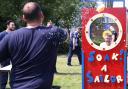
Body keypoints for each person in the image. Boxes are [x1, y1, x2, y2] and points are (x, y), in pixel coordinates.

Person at [0, 2, 67, 89]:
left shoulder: (10, 37)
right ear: (41, 15)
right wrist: (50, 27)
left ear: (23, 18)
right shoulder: (53, 33)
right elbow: (65, 35)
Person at [0, 20, 15, 89]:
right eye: (12, 25)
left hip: (14, 59)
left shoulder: (15, 34)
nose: (13, 26)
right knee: (3, 78)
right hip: (4, 59)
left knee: (14, 78)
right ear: (7, 25)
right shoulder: (2, 34)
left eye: (14, 25)